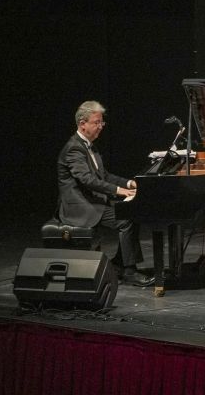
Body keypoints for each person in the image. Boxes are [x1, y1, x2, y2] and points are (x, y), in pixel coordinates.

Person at [56, 101, 153, 287]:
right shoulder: (74, 148)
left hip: (92, 201)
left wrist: (130, 183)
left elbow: (105, 176)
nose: (101, 126)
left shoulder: (90, 146)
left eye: (102, 122)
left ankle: (120, 264)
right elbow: (87, 180)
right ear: (82, 124)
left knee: (131, 212)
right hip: (80, 207)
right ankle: (129, 272)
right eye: (97, 122)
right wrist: (119, 191)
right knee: (126, 219)